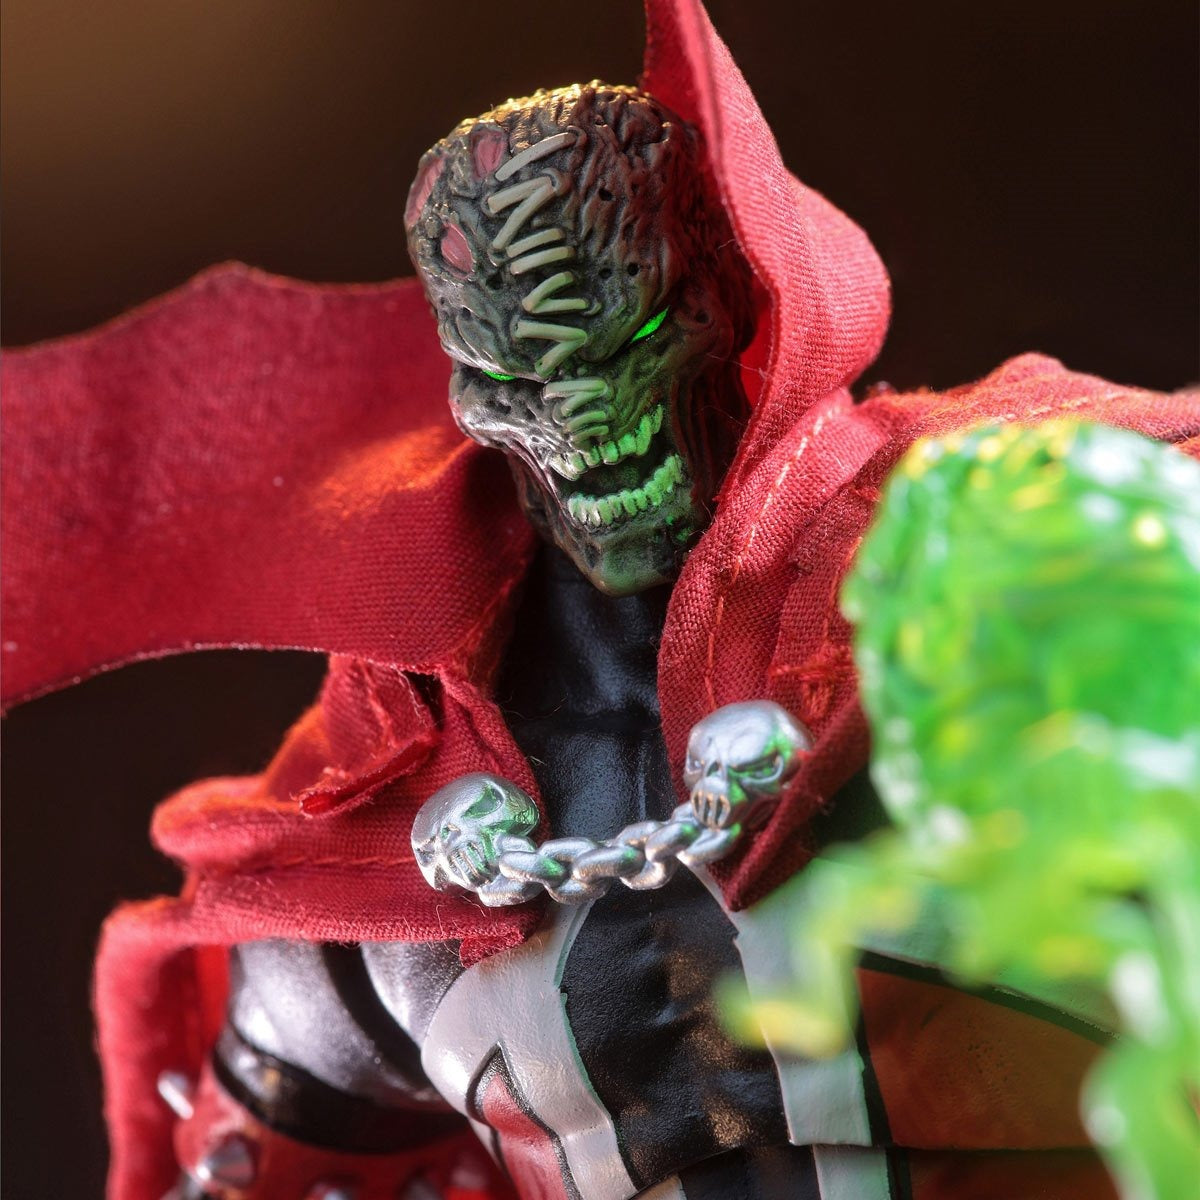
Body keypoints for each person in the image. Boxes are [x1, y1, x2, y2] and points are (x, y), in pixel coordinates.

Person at [3, 2, 1196, 1197]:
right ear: (467, 393)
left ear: (727, 298)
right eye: (519, 383)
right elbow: (272, 1154)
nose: (583, 426)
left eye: (629, 343)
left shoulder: (1010, 553)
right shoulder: (388, 806)